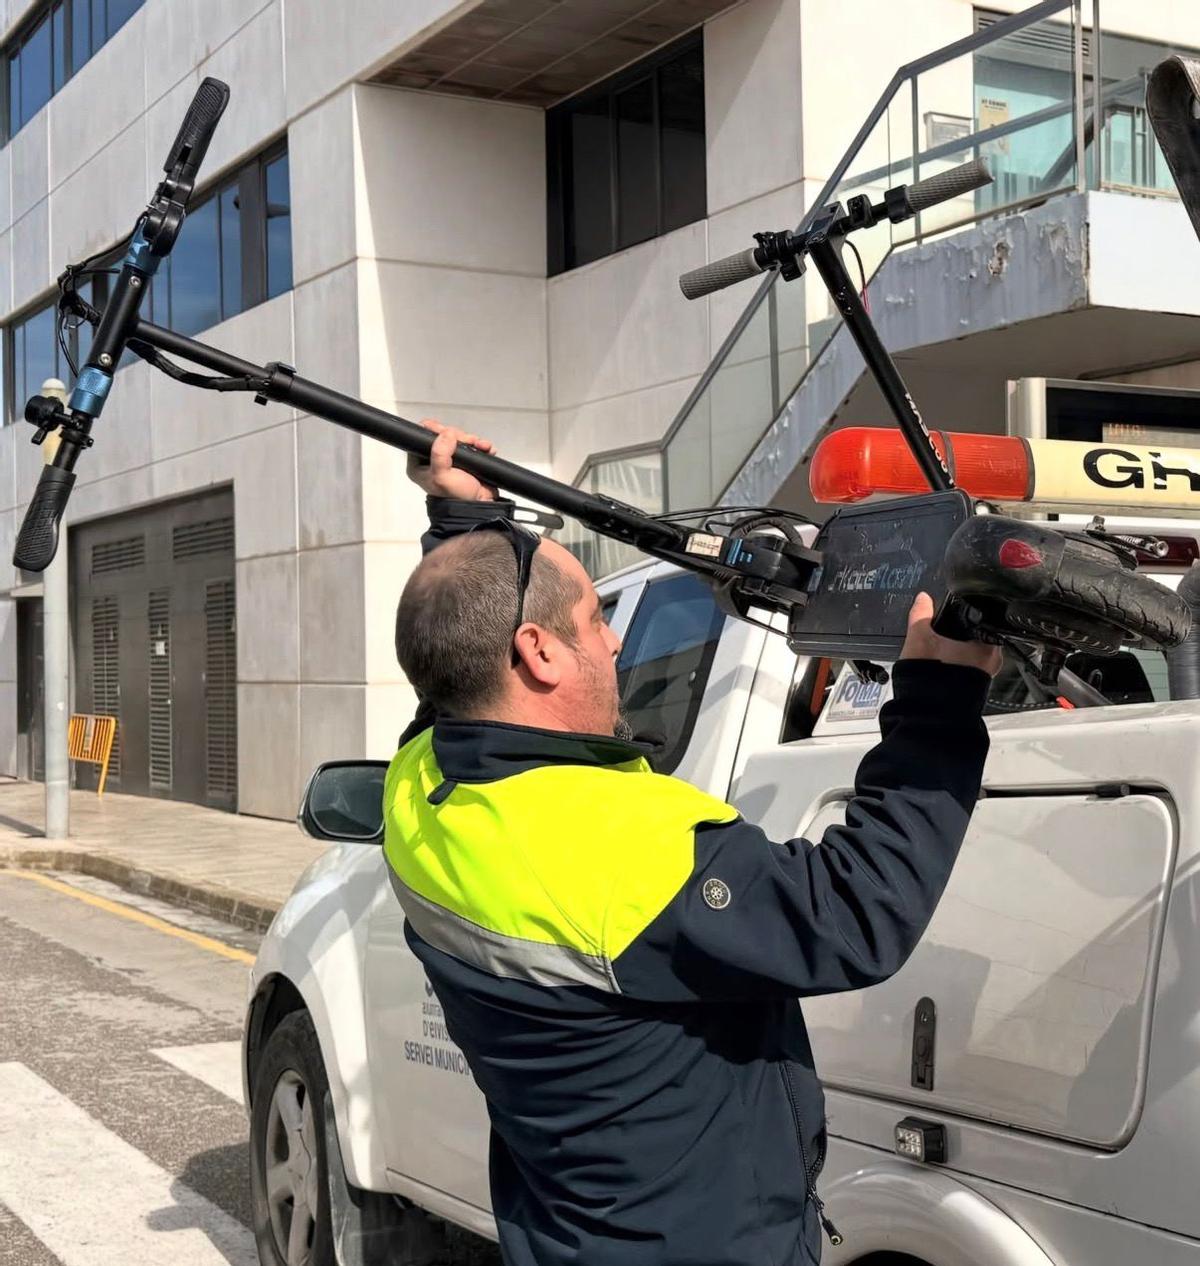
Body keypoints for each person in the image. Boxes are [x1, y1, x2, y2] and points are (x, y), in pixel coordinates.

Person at [385, 420, 1001, 1266]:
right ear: (537, 652)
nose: (612, 638)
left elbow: (454, 660)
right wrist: (940, 695)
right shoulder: (616, 850)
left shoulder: (420, 794)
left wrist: (465, 523)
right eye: (594, 618)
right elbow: (853, 916)